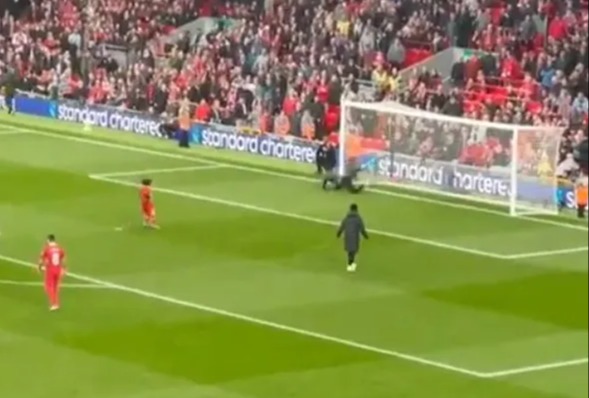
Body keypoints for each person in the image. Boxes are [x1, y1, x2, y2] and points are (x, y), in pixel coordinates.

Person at [337, 203, 369, 272]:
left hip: (347, 236)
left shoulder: (347, 217)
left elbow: (342, 226)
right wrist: (366, 236)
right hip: (355, 236)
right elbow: (362, 228)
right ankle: (350, 264)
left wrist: (338, 234)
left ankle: (350, 263)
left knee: (350, 251)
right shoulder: (358, 218)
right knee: (353, 251)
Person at [38, 234, 66, 311]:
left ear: (48, 240)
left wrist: (40, 267)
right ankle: (56, 303)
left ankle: (54, 304)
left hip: (50, 270)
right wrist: (64, 269)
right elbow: (63, 260)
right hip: (58, 269)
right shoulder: (60, 249)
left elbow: (41, 259)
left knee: (49, 287)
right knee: (56, 287)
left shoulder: (47, 249)